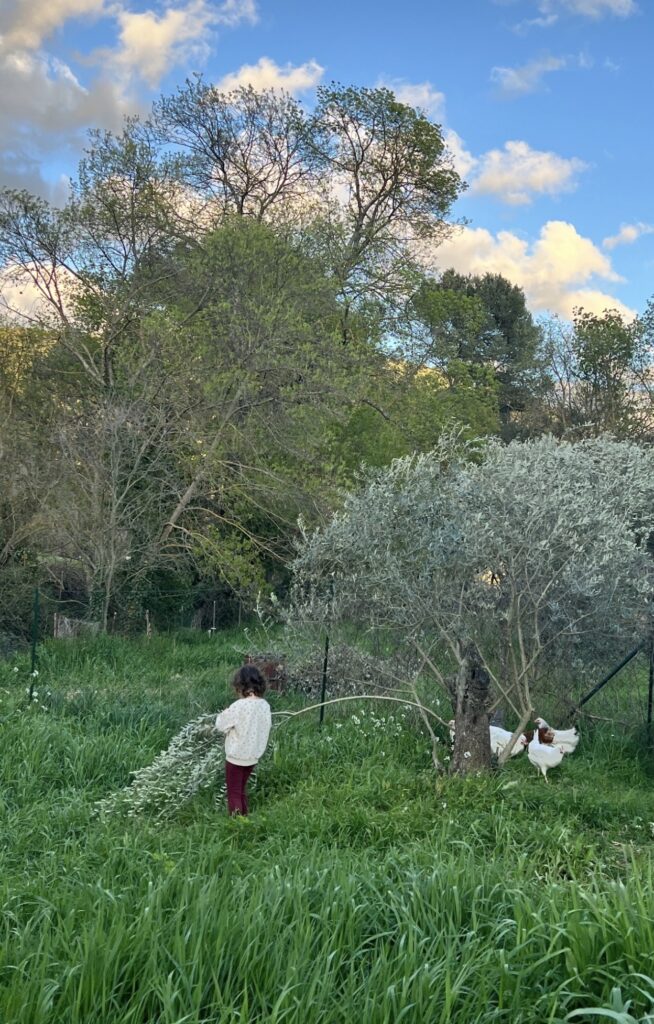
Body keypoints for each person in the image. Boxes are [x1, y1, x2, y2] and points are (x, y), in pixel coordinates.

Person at [214, 664, 272, 816]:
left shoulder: (239, 706)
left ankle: (236, 821)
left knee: (233, 792)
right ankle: (244, 818)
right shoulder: (264, 705)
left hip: (236, 756)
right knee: (241, 790)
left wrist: (224, 713)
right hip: (253, 756)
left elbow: (220, 725)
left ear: (240, 685)